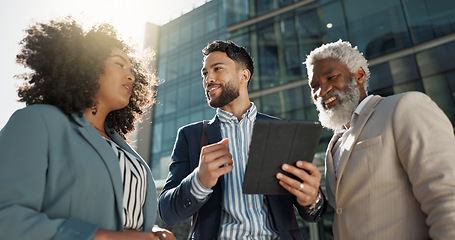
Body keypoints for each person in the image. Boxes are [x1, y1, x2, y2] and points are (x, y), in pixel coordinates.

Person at [0, 18, 175, 240]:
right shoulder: (37, 122)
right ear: (86, 66)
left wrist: (150, 232)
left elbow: (120, 216)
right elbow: (7, 218)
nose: (130, 75)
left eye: (132, 70)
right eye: (119, 64)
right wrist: (103, 237)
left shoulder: (124, 149)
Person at [158, 40, 326, 240]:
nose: (208, 78)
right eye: (204, 73)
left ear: (244, 75)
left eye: (217, 69)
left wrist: (312, 199)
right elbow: (166, 212)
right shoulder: (191, 136)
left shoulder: (280, 130)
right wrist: (199, 181)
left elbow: (313, 212)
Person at [305, 40, 455, 239]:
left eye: (331, 77)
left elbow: (446, 196)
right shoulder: (334, 145)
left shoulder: (405, 107)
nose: (321, 91)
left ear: (359, 75)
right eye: (314, 86)